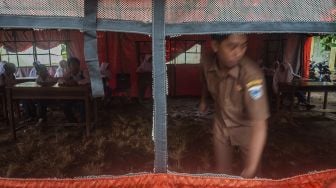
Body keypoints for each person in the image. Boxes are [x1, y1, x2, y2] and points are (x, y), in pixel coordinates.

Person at [199, 34, 269, 178]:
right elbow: (205, 81)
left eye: (243, 46)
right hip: (221, 123)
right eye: (232, 46)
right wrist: (203, 100)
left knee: (253, 176)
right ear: (215, 46)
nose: (238, 52)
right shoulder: (207, 62)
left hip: (247, 127)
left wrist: (250, 168)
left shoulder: (252, 75)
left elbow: (260, 124)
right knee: (223, 175)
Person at [59, 57, 90, 123]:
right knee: (64, 105)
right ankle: (73, 122)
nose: (74, 67)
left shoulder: (84, 72)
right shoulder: (68, 74)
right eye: (72, 65)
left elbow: (88, 80)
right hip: (72, 96)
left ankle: (84, 123)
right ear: (69, 66)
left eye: (76, 64)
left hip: (83, 96)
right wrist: (66, 82)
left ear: (79, 65)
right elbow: (60, 80)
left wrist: (77, 82)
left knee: (83, 104)